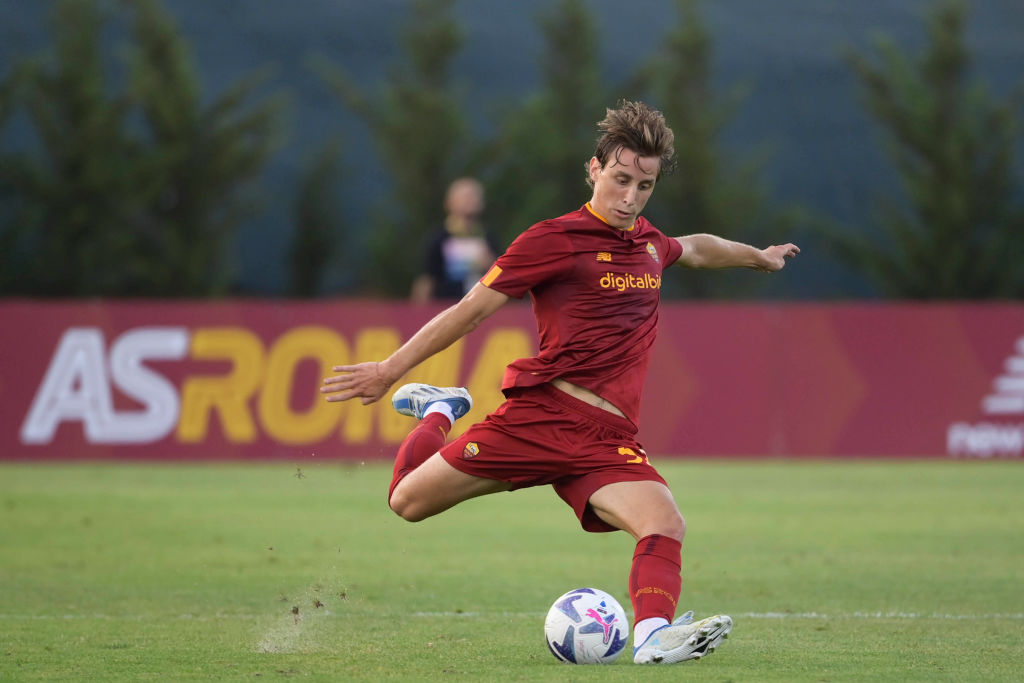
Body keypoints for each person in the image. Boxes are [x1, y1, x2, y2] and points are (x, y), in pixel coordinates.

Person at [322, 100, 799, 665]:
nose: (630, 197)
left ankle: (650, 638)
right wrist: (388, 370)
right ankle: (439, 411)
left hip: (605, 439)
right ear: (594, 169)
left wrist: (759, 259)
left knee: (664, 522)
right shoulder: (552, 239)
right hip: (540, 420)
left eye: (644, 186)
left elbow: (696, 247)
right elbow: (471, 309)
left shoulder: (648, 243)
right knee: (406, 501)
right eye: (621, 180)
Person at [409, 177, 501, 302]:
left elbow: (499, 279)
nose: (471, 200)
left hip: (479, 308)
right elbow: (427, 279)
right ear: (449, 202)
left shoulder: (488, 237)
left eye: (475, 196)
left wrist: (490, 266)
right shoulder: (438, 238)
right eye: (465, 197)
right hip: (445, 309)